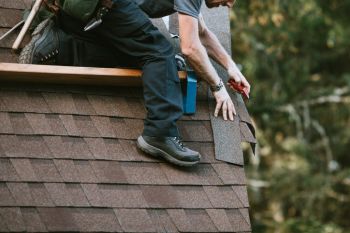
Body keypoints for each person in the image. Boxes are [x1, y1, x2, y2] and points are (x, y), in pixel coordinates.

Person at [24, 0, 250, 166]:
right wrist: (218, 87)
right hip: (108, 5)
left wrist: (230, 67)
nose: (229, 4)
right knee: (160, 54)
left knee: (133, 53)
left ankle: (59, 45)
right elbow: (190, 47)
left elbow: (201, 32)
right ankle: (159, 133)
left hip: (90, 13)